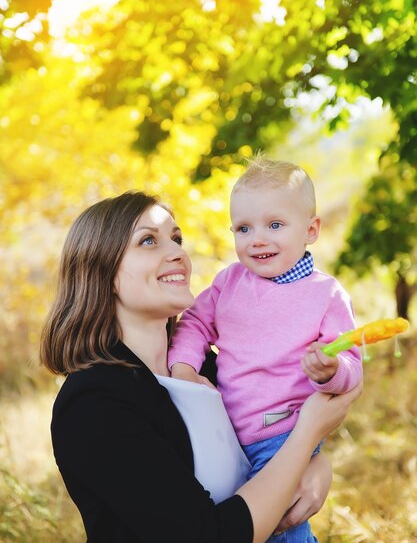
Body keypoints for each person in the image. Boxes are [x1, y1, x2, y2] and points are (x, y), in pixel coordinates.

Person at [40, 190, 362, 543]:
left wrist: (317, 466)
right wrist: (306, 438)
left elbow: (265, 438)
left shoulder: (208, 367)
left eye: (176, 239)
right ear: (102, 272)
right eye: (148, 241)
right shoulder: (94, 402)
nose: (178, 252)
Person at [169, 155, 363, 542]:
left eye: (275, 225)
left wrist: (331, 370)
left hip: (283, 434)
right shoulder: (229, 282)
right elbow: (194, 323)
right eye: (243, 228)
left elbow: (351, 360)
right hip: (225, 430)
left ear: (311, 230)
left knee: (282, 527)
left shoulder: (325, 295)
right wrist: (184, 369)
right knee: (235, 517)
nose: (257, 239)